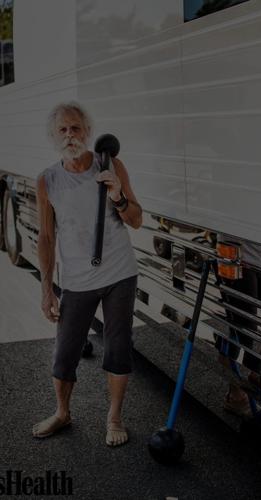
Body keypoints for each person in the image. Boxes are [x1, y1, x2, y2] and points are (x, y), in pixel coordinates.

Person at [32, 102, 142, 447]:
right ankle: (63, 413)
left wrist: (118, 196)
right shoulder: (47, 180)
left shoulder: (110, 165)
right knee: (65, 352)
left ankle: (114, 418)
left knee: (117, 347)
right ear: (54, 136)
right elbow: (47, 237)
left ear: (87, 132)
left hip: (119, 273)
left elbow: (137, 219)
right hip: (76, 280)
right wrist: (47, 289)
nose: (70, 135)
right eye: (63, 129)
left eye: (76, 128)